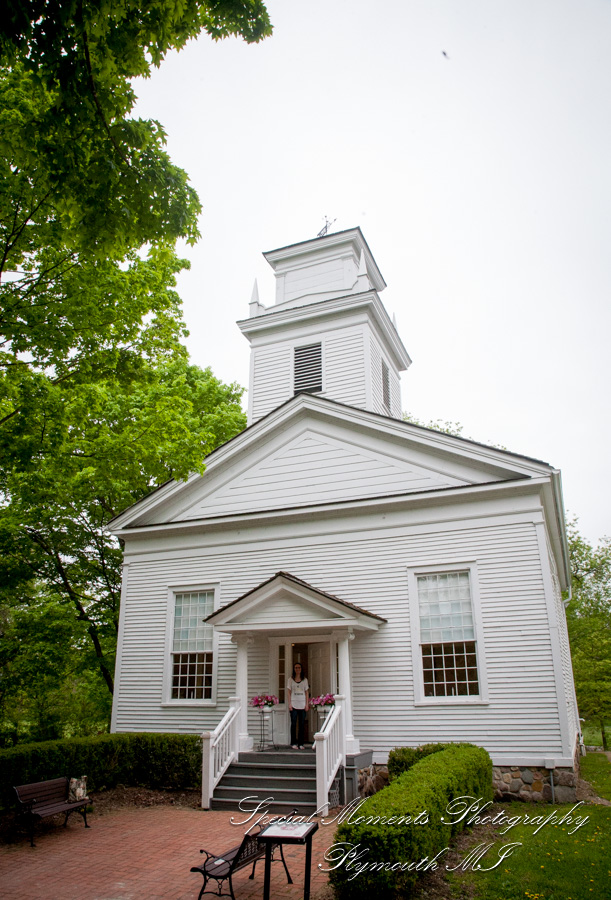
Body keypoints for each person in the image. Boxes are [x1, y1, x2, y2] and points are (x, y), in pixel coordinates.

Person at [287, 663, 309, 749]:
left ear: (301, 669)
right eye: (296, 668)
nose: (297, 669)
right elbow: (289, 692)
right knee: (293, 723)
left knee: (302, 724)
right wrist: (289, 704)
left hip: (302, 704)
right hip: (293, 704)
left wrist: (307, 704)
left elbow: (306, 692)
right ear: (294, 669)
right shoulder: (290, 680)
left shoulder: (305, 680)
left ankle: (301, 743)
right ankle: (293, 743)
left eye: (299, 667)